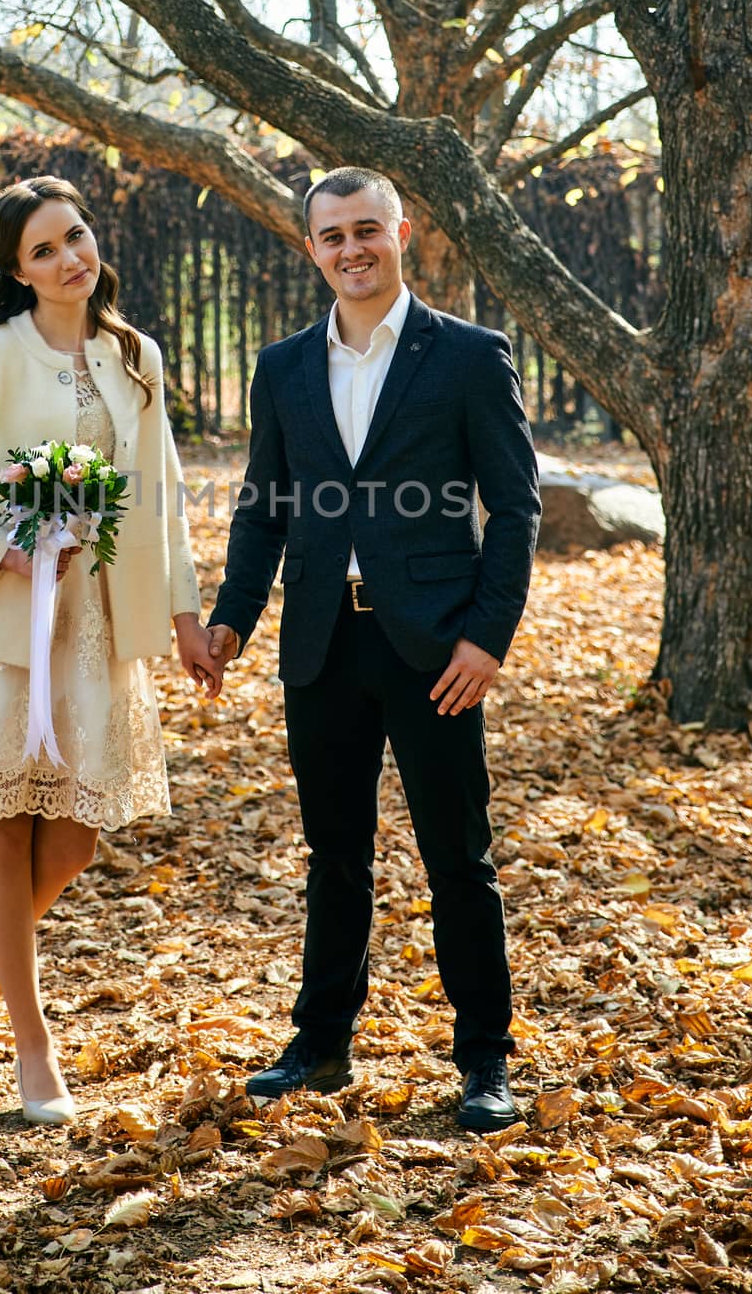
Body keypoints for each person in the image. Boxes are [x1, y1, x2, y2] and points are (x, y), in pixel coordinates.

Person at [206, 166, 540, 1132]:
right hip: (320, 643)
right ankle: (320, 1045)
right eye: (331, 236)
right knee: (334, 854)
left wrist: (487, 637)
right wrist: (233, 616)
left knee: (457, 858)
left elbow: (514, 507)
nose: (351, 249)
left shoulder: (471, 357)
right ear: (310, 248)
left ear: (403, 232)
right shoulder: (283, 368)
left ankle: (484, 1061)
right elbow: (264, 504)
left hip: (435, 650)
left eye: (367, 230)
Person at [0, 175, 219, 1125]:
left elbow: (162, 500)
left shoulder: (134, 354)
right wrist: (11, 547)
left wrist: (186, 618)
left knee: (74, 837)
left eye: (75, 235)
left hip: (99, 630)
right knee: (4, 827)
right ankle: (32, 1040)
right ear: (16, 271)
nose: (70, 258)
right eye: (43, 250)